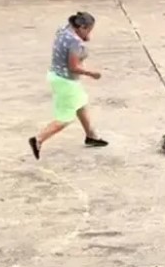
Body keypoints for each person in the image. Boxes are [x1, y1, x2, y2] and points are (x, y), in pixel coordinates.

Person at [29, 11, 108, 160]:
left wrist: (84, 38)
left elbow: (75, 42)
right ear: (82, 27)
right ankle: (38, 139)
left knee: (81, 102)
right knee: (65, 116)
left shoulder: (64, 29)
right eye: (89, 30)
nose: (90, 34)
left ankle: (91, 136)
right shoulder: (75, 42)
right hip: (66, 81)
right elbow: (73, 67)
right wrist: (92, 73)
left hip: (55, 74)